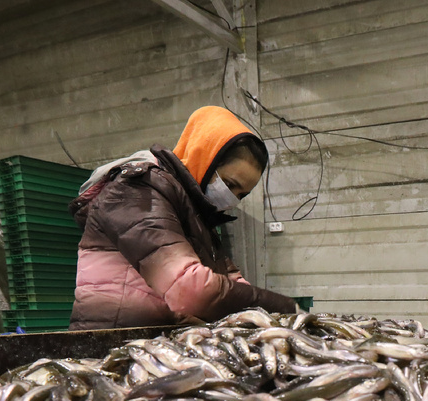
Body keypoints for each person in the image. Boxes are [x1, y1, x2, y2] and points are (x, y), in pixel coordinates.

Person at [68, 106, 296, 330]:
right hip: (114, 343)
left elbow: (232, 280)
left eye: (241, 194)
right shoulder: (137, 191)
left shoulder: (198, 214)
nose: (232, 199)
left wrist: (271, 316)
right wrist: (284, 307)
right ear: (202, 158)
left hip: (157, 341)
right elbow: (190, 290)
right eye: (229, 185)